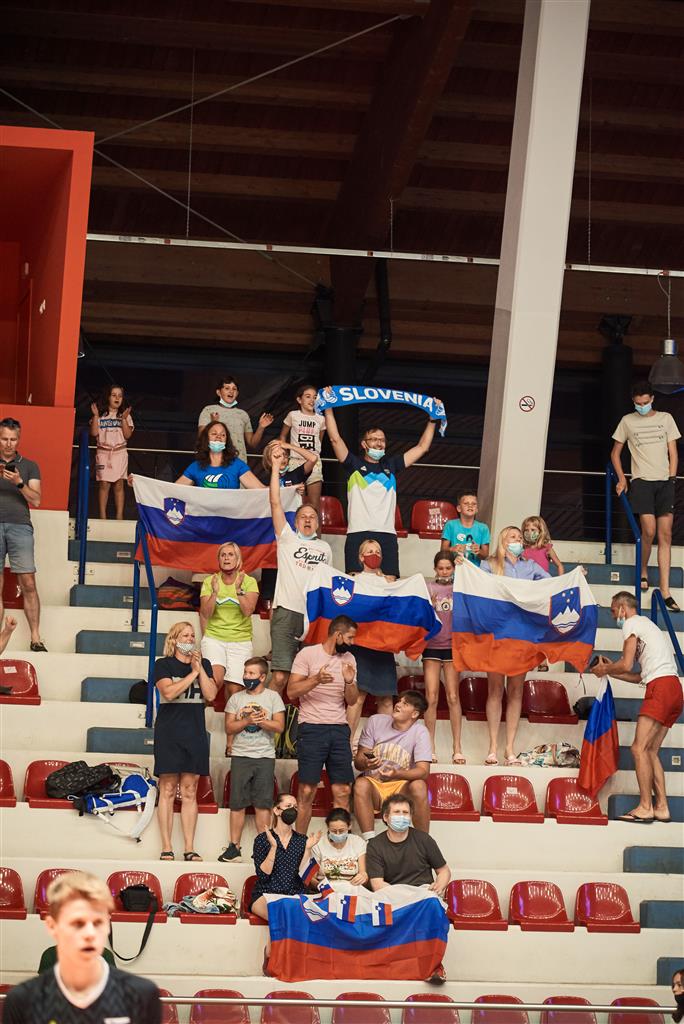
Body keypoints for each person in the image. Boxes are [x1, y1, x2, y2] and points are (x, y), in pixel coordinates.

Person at [3, 870, 161, 1024]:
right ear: (52, 926)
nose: (89, 933)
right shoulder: (22, 1001)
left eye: (98, 922)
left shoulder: (142, 995)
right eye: (77, 923)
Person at [593, 591, 683, 823]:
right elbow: (637, 675)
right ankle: (662, 807)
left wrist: (605, 669)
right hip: (673, 688)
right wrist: (611, 672)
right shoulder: (647, 625)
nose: (614, 617)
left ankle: (645, 806)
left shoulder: (631, 623)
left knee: (638, 749)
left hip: (660, 688)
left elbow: (626, 664)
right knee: (650, 751)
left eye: (614, 611)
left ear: (623, 608)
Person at [323, 401, 438, 579]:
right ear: (364, 444)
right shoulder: (354, 464)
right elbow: (335, 439)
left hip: (387, 533)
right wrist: (329, 408)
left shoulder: (391, 465)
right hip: (358, 531)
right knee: (357, 582)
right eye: (374, 439)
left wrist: (432, 420)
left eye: (382, 440)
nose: (379, 443)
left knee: (390, 582)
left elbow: (422, 447)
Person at [480, 526, 550, 766]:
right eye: (513, 537)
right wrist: (462, 565)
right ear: (503, 541)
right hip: (497, 634)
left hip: (522, 634)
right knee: (495, 689)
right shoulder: (489, 564)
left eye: (520, 537)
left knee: (516, 691)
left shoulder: (530, 566)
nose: (518, 540)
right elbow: (477, 588)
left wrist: (573, 577)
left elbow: (551, 585)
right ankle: (492, 747)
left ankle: (509, 748)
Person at [611, 380, 681, 611]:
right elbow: (615, 453)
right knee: (648, 531)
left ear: (652, 399)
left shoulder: (666, 418)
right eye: (638, 403)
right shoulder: (627, 421)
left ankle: (665, 590)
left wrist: (672, 478)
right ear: (633, 402)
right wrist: (622, 478)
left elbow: (673, 451)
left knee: (666, 535)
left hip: (664, 482)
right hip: (641, 482)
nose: (642, 406)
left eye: (645, 402)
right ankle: (642, 569)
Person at [366, 793, 450, 984]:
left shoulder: (424, 840)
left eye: (405, 813)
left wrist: (439, 885)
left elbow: (444, 871)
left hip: (423, 896)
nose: (402, 816)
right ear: (386, 817)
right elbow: (377, 884)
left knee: (432, 905)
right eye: (397, 812)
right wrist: (406, 898)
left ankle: (434, 968)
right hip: (391, 897)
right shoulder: (375, 845)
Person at [268, 445, 332, 695]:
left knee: (308, 678)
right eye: (303, 516)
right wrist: (275, 466)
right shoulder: (287, 538)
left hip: (312, 616)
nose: (307, 519)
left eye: (312, 517)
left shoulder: (325, 548)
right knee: (280, 676)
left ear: (317, 523)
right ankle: (265, 717)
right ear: (295, 522)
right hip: (286, 612)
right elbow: (275, 502)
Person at [287, 616, 359, 833]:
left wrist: (349, 681)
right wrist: (316, 679)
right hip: (311, 728)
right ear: (338, 635)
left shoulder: (350, 658)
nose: (352, 642)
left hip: (339, 729)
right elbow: (292, 692)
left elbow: (352, 700)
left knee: (343, 791)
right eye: (350, 638)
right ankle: (299, 844)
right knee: (306, 791)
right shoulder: (307, 654)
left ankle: (339, 843)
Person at [153, 621, 218, 861]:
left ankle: (189, 848)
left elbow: (211, 695)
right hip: (169, 733)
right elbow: (169, 693)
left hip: (195, 733)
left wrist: (200, 669)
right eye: (185, 635)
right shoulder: (163, 664)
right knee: (168, 789)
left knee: (190, 790)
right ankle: (166, 847)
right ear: (174, 639)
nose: (190, 639)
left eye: (192, 636)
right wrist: (192, 673)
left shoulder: (204, 664)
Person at [219, 656, 285, 862]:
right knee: (237, 803)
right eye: (245, 673)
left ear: (262, 677)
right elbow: (229, 727)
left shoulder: (273, 697)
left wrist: (260, 721)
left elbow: (279, 726)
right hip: (240, 756)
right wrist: (247, 720)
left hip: (264, 757)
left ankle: (263, 848)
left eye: (251, 673)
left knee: (263, 804)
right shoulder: (236, 699)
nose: (246, 677)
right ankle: (234, 847)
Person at [249, 792, 323, 975]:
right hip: (266, 893)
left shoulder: (302, 840)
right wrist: (273, 847)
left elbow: (305, 877)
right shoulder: (262, 839)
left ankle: (276, 957)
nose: (293, 810)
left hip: (293, 893)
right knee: (282, 910)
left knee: (288, 908)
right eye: (288, 806)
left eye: (295, 807)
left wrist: (308, 850)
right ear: (276, 810)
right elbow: (263, 874)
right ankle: (274, 957)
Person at [354, 691, 432, 836]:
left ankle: (423, 841)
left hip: (401, 787)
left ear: (414, 714)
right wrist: (367, 763)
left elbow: (423, 771)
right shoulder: (375, 721)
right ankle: (370, 840)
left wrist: (397, 774)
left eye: (405, 704)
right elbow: (358, 762)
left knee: (419, 785)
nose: (398, 705)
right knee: (360, 783)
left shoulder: (420, 732)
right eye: (399, 701)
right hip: (374, 785)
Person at [346, 538, 399, 742]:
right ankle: (346, 744)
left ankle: (383, 745)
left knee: (386, 698)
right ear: (361, 557)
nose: (374, 555)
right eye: (369, 551)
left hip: (383, 646)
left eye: (377, 551)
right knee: (358, 697)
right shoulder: (352, 580)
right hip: (360, 645)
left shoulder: (390, 582)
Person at [0, 417, 46, 652]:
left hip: (20, 526)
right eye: (4, 439)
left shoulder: (29, 465)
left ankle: (36, 638)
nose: (8, 444)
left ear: (19, 439)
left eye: (13, 439)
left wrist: (19, 482)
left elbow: (36, 500)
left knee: (28, 582)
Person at [199, 542, 259, 718]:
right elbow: (206, 613)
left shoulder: (249, 582)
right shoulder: (210, 581)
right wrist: (214, 593)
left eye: (230, 554)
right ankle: (196, 721)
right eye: (223, 555)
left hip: (240, 641)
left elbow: (248, 611)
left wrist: (239, 590)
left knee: (235, 690)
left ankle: (230, 733)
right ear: (218, 559)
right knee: (214, 681)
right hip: (214, 638)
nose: (226, 558)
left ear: (238, 559)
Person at [424, 550, 464, 763]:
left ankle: (457, 747)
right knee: (431, 697)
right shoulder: (428, 587)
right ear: (435, 569)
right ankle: (429, 747)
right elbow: (420, 618)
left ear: (454, 568)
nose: (445, 571)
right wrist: (428, 607)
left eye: (448, 568)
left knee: (453, 697)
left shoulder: (460, 588)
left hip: (452, 647)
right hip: (432, 646)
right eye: (441, 568)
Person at [197, 375, 273, 462]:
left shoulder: (243, 414)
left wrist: (261, 427)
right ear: (218, 392)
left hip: (239, 462)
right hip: (216, 462)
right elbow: (201, 438)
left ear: (237, 393)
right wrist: (213, 423)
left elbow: (252, 444)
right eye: (227, 388)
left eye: (234, 389)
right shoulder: (208, 410)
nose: (231, 391)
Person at [89, 384, 134, 520]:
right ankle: (102, 516)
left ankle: (119, 516)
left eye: (120, 396)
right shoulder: (101, 416)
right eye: (114, 395)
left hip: (119, 453)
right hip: (103, 454)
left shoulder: (125, 416)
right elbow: (94, 433)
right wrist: (95, 416)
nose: (117, 398)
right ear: (108, 397)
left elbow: (128, 435)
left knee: (119, 484)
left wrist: (124, 419)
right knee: (104, 484)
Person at [175, 422, 264, 490]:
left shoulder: (237, 465)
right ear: (206, 439)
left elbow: (260, 490)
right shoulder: (195, 467)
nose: (219, 437)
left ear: (226, 440)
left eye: (223, 435)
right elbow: (174, 490)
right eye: (214, 434)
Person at [279, 383, 326, 510]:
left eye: (315, 397)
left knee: (314, 504)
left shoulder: (321, 419)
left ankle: (315, 524)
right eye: (308, 396)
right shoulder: (293, 415)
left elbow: (319, 440)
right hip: (295, 461)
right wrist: (284, 454)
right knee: (296, 502)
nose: (312, 400)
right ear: (299, 400)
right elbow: (283, 436)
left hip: (314, 463)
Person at [310, 808, 368, 888]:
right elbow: (312, 878)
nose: (337, 834)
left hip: (351, 889)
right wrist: (321, 887)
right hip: (326, 890)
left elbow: (363, 873)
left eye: (341, 831)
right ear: (328, 827)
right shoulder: (319, 844)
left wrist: (363, 877)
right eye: (333, 831)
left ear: (349, 826)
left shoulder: (358, 842)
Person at [440, 492, 490, 564]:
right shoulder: (450, 525)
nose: (470, 506)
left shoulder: (483, 528)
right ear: (459, 508)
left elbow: (485, 555)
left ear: (477, 509)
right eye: (466, 503)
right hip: (454, 568)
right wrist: (452, 549)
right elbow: (442, 551)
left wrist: (478, 551)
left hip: (474, 569)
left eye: (474, 504)